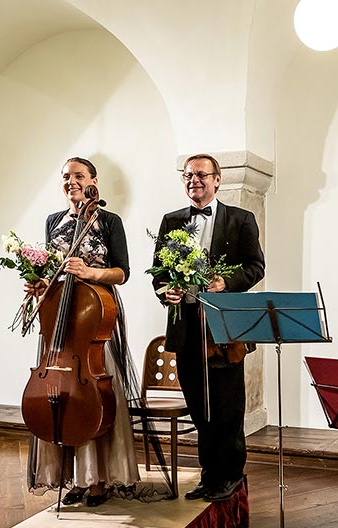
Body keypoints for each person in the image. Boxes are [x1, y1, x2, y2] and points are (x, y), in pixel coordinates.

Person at [25, 157, 142, 507]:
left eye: (78, 175)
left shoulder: (108, 220)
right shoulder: (53, 221)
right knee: (58, 390)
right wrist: (41, 284)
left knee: (93, 388)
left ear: (92, 181)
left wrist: (90, 274)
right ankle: (70, 479)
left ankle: (98, 480)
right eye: (65, 176)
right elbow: (51, 268)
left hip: (94, 316)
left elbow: (122, 272)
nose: (71, 181)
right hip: (59, 317)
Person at [151, 153, 265, 502]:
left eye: (201, 174)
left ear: (217, 179)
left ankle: (230, 475)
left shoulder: (241, 219)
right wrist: (165, 290)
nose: (193, 180)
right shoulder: (171, 220)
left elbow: (256, 266)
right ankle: (208, 474)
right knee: (200, 406)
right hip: (186, 327)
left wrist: (225, 282)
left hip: (224, 330)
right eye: (187, 175)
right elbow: (157, 271)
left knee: (228, 406)